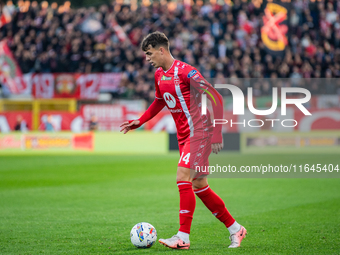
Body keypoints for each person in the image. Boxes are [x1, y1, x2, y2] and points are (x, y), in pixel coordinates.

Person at [120, 32, 246, 250]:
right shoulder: (159, 75)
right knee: (199, 185)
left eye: (150, 53)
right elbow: (159, 101)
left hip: (200, 132)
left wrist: (217, 133)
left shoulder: (187, 72)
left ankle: (183, 237)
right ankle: (236, 229)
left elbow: (216, 97)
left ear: (161, 50)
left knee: (182, 176)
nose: (148, 58)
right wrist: (140, 121)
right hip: (184, 136)